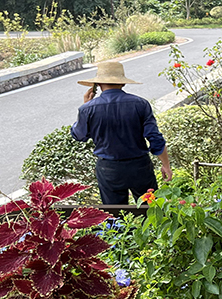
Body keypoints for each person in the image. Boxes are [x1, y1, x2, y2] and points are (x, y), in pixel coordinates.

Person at [71, 61, 172, 205]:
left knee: (115, 215)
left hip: (108, 169)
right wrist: (166, 165)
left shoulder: (87, 109)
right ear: (123, 83)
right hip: (140, 166)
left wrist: (85, 105)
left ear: (98, 85)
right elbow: (155, 138)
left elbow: (79, 135)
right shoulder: (140, 104)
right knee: (151, 211)